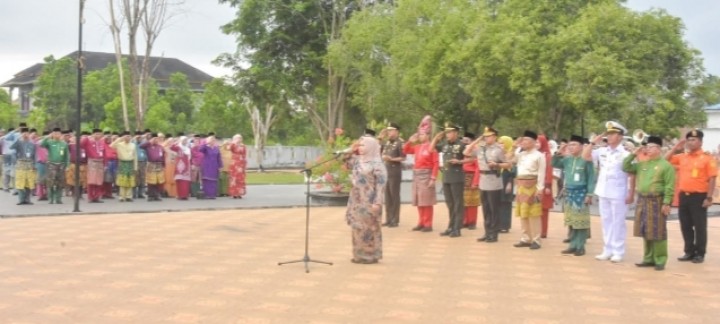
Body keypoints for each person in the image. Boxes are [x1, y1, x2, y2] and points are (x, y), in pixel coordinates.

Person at [582, 121, 634, 263]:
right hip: (603, 190)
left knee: (618, 222)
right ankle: (607, 249)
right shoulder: (602, 151)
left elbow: (631, 175)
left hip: (619, 191)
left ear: (620, 136)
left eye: (612, 134)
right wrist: (592, 143)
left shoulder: (625, 154)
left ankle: (618, 251)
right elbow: (585, 156)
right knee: (606, 221)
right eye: (608, 134)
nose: (609, 136)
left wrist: (631, 192)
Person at [623, 136, 675, 271]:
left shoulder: (665, 165)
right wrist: (634, 153)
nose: (647, 149)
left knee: (658, 231)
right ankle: (648, 258)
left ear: (658, 149)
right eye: (646, 147)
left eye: (650, 147)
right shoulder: (643, 164)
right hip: (643, 200)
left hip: (657, 200)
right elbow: (625, 166)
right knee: (646, 230)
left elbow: (670, 186)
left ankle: (660, 259)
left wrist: (667, 203)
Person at [666, 130, 717, 264]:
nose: (690, 142)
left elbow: (712, 178)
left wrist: (709, 197)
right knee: (685, 225)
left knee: (700, 226)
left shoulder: (707, 158)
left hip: (699, 196)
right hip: (684, 196)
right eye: (688, 140)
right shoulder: (683, 157)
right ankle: (689, 251)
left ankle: (700, 253)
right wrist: (676, 146)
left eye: (694, 140)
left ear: (700, 142)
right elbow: (665, 160)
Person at [345, 135, 387, 264]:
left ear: (371, 147)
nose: (361, 148)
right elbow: (345, 161)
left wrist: (377, 202)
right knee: (357, 227)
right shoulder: (358, 160)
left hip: (369, 200)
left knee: (369, 228)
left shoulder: (377, 164)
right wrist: (352, 148)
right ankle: (358, 254)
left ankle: (370, 256)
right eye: (360, 145)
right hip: (356, 200)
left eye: (364, 145)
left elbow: (381, 185)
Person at [465, 127, 510, 242]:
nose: (486, 138)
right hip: (483, 180)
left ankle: (494, 234)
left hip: (494, 181)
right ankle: (487, 232)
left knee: (494, 209)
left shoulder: (498, 150)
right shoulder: (481, 149)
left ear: (494, 136)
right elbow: (466, 152)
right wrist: (477, 139)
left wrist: (496, 164)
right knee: (485, 209)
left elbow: (507, 165)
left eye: (489, 136)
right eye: (485, 136)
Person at [553, 135, 595, 256]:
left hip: (581, 193)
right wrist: (560, 150)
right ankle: (572, 245)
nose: (571, 147)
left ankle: (580, 246)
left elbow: (591, 177)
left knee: (580, 222)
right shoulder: (567, 159)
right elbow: (554, 163)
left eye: (574, 145)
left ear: (582, 146)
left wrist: (589, 194)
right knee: (572, 220)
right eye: (570, 145)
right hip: (569, 193)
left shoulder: (586, 160)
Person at [431, 123, 469, 238]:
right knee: (450, 203)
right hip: (446, 176)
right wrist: (436, 138)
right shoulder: (445, 144)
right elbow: (431, 148)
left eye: (450, 132)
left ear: (456, 133)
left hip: (457, 177)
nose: (447, 134)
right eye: (446, 132)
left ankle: (457, 228)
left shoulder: (462, 145)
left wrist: (460, 162)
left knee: (458, 203)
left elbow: (472, 158)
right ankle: (450, 226)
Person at [403, 115, 439, 232]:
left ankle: (428, 223)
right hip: (417, 175)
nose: (420, 136)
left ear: (428, 135)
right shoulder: (417, 147)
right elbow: (405, 150)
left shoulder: (431, 147)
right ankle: (421, 221)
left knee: (427, 201)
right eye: (419, 134)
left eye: (422, 134)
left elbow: (436, 164)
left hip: (426, 174)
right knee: (419, 200)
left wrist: (433, 178)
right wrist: (410, 141)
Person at [512, 131, 547, 249]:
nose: (523, 142)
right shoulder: (521, 155)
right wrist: (516, 146)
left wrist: (540, 189)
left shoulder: (539, 155)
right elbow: (511, 158)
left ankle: (536, 240)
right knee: (523, 214)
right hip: (521, 186)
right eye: (523, 140)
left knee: (534, 214)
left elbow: (542, 173)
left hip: (533, 186)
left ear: (533, 142)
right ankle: (525, 238)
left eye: (526, 140)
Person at [378, 123, 406, 227]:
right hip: (386, 170)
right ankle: (388, 218)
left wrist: (392, 159)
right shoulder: (387, 143)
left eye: (391, 130)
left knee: (394, 195)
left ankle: (395, 219)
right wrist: (380, 138)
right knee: (387, 196)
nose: (389, 133)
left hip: (395, 170)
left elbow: (403, 157)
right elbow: (378, 150)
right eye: (388, 131)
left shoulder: (400, 143)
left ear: (397, 131)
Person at [81, 129, 110, 203]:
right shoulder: (88, 141)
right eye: (96, 134)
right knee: (91, 180)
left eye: (99, 134)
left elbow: (104, 154)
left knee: (99, 181)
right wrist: (87, 137)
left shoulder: (101, 142)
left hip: (100, 162)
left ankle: (97, 197)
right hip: (92, 161)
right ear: (93, 134)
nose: (98, 135)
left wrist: (105, 164)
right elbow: (80, 144)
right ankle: (91, 197)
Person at [41, 128, 70, 204]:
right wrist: (47, 137)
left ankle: (58, 199)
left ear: (61, 134)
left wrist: (67, 165)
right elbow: (42, 144)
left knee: (60, 183)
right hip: (51, 165)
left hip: (61, 165)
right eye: (55, 133)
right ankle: (51, 198)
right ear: (53, 134)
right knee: (51, 183)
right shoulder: (50, 142)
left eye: (58, 133)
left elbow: (67, 156)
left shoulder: (64, 143)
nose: (57, 135)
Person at [11, 127, 37, 205]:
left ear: (29, 134)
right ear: (21, 134)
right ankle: (21, 199)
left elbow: (35, 155)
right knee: (20, 182)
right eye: (23, 133)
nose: (25, 134)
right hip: (20, 164)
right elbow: (11, 147)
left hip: (29, 164)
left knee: (29, 182)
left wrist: (34, 164)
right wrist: (19, 138)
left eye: (26, 133)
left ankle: (27, 199)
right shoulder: (18, 142)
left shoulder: (32, 143)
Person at [460, 132, 480, 231]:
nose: (464, 142)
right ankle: (465, 221)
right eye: (463, 140)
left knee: (472, 201)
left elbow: (478, 168)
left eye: (466, 140)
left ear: (472, 141)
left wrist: (475, 181)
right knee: (463, 200)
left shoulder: (476, 150)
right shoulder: (464, 150)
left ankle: (472, 222)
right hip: (463, 176)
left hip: (471, 176)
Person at [111, 131, 138, 202]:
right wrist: (120, 139)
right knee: (122, 180)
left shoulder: (133, 145)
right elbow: (111, 146)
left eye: (129, 136)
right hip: (122, 163)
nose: (127, 137)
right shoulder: (119, 144)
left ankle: (129, 196)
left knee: (130, 180)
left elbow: (135, 156)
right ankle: (121, 197)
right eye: (126, 136)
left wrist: (135, 167)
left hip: (130, 163)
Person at [498, 136, 516, 233]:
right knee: (499, 202)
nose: (500, 145)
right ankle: (499, 224)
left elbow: (512, 170)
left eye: (502, 143)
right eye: (499, 143)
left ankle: (505, 225)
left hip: (507, 180)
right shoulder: (499, 154)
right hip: (499, 179)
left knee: (505, 203)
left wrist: (509, 183)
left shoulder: (511, 154)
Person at [140, 133, 166, 201]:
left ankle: (157, 195)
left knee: (158, 181)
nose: (155, 140)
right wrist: (149, 142)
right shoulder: (148, 146)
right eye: (154, 138)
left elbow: (163, 156)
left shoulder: (160, 147)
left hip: (159, 165)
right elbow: (141, 146)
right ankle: (150, 196)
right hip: (151, 165)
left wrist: (164, 165)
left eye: (156, 138)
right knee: (151, 181)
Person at [199, 135, 223, 199]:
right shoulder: (206, 148)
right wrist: (206, 143)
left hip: (214, 166)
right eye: (211, 140)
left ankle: (212, 195)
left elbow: (219, 158)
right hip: (207, 166)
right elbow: (200, 149)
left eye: (213, 140)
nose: (212, 141)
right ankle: (207, 194)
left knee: (213, 181)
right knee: (207, 180)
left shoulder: (216, 148)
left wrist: (220, 166)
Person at [66, 131, 88, 199]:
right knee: (73, 180)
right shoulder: (70, 145)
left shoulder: (84, 146)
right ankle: (74, 194)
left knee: (82, 181)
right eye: (76, 137)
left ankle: (80, 194)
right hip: (74, 165)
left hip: (83, 165)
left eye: (80, 137)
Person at [228, 134, 248, 199]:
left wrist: (245, 163)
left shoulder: (243, 146)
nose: (239, 139)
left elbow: (244, 154)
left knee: (240, 178)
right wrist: (233, 142)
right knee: (234, 178)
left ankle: (239, 193)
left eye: (240, 138)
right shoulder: (233, 144)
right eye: (237, 138)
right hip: (234, 163)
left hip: (241, 163)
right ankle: (234, 193)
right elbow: (229, 148)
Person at [2, 127, 19, 193]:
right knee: (7, 172)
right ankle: (7, 187)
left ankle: (12, 188)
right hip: (7, 155)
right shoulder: (5, 137)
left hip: (12, 155)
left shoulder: (14, 137)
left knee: (13, 172)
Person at [34, 130, 49, 201]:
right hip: (41, 163)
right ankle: (40, 195)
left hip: (49, 164)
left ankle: (46, 194)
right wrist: (43, 138)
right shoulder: (39, 143)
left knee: (47, 180)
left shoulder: (50, 143)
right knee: (40, 180)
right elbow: (36, 142)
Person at [133, 131, 148, 199]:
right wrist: (134, 139)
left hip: (143, 162)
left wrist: (146, 161)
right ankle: (134, 193)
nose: (139, 138)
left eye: (140, 136)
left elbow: (146, 153)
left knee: (142, 178)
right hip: (135, 162)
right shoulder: (133, 143)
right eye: (137, 136)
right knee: (135, 178)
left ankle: (140, 193)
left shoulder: (144, 144)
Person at [162, 134, 178, 198]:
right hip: (167, 165)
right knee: (168, 179)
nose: (171, 142)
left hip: (173, 165)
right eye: (170, 141)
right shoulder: (165, 148)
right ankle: (167, 192)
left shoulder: (174, 149)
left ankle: (173, 193)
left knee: (173, 179)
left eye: (172, 141)